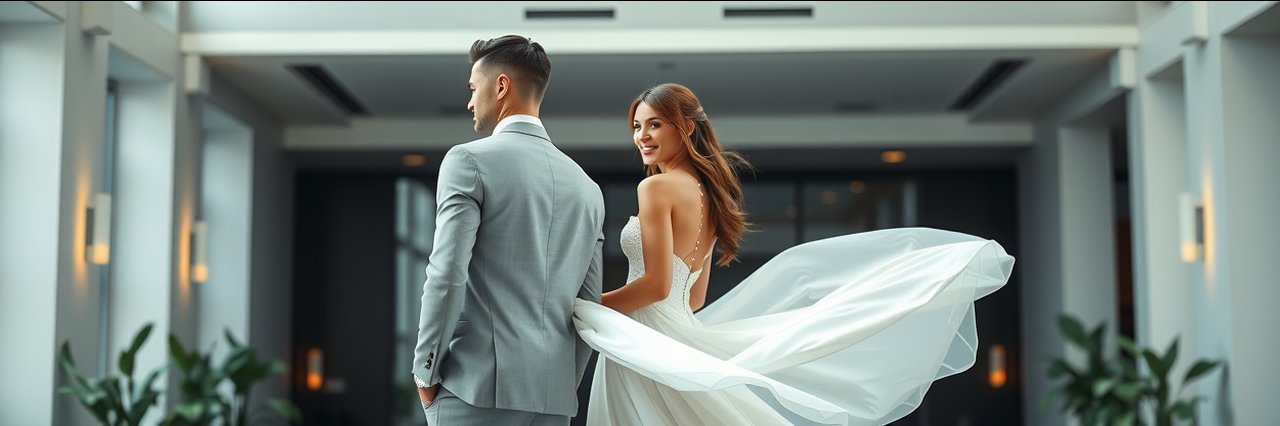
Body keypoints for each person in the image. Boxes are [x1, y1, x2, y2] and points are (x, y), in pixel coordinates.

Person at [573, 83, 1015, 425]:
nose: (642, 136)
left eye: (654, 124)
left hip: (646, 343)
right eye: (636, 126)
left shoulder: (654, 187)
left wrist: (584, 306)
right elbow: (692, 298)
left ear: (685, 127)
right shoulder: (709, 196)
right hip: (671, 336)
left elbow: (656, 286)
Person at [412, 34, 605, 426]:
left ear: (500, 86)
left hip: (474, 388)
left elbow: (447, 274)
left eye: (473, 88)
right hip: (553, 398)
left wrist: (425, 370)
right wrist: (562, 386)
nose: (469, 101)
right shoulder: (588, 188)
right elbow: (589, 305)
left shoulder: (467, 160)